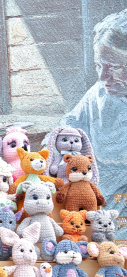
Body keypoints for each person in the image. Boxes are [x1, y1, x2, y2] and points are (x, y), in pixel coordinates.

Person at [58, 9, 127, 239]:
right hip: (91, 201)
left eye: (113, 66)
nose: (103, 76)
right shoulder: (98, 95)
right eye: (99, 65)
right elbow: (67, 128)